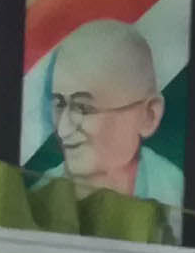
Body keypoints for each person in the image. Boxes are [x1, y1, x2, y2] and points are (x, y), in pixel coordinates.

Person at [32, 19, 184, 208]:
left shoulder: (178, 199)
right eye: (59, 105)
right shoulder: (38, 201)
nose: (63, 130)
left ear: (148, 115)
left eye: (83, 108)